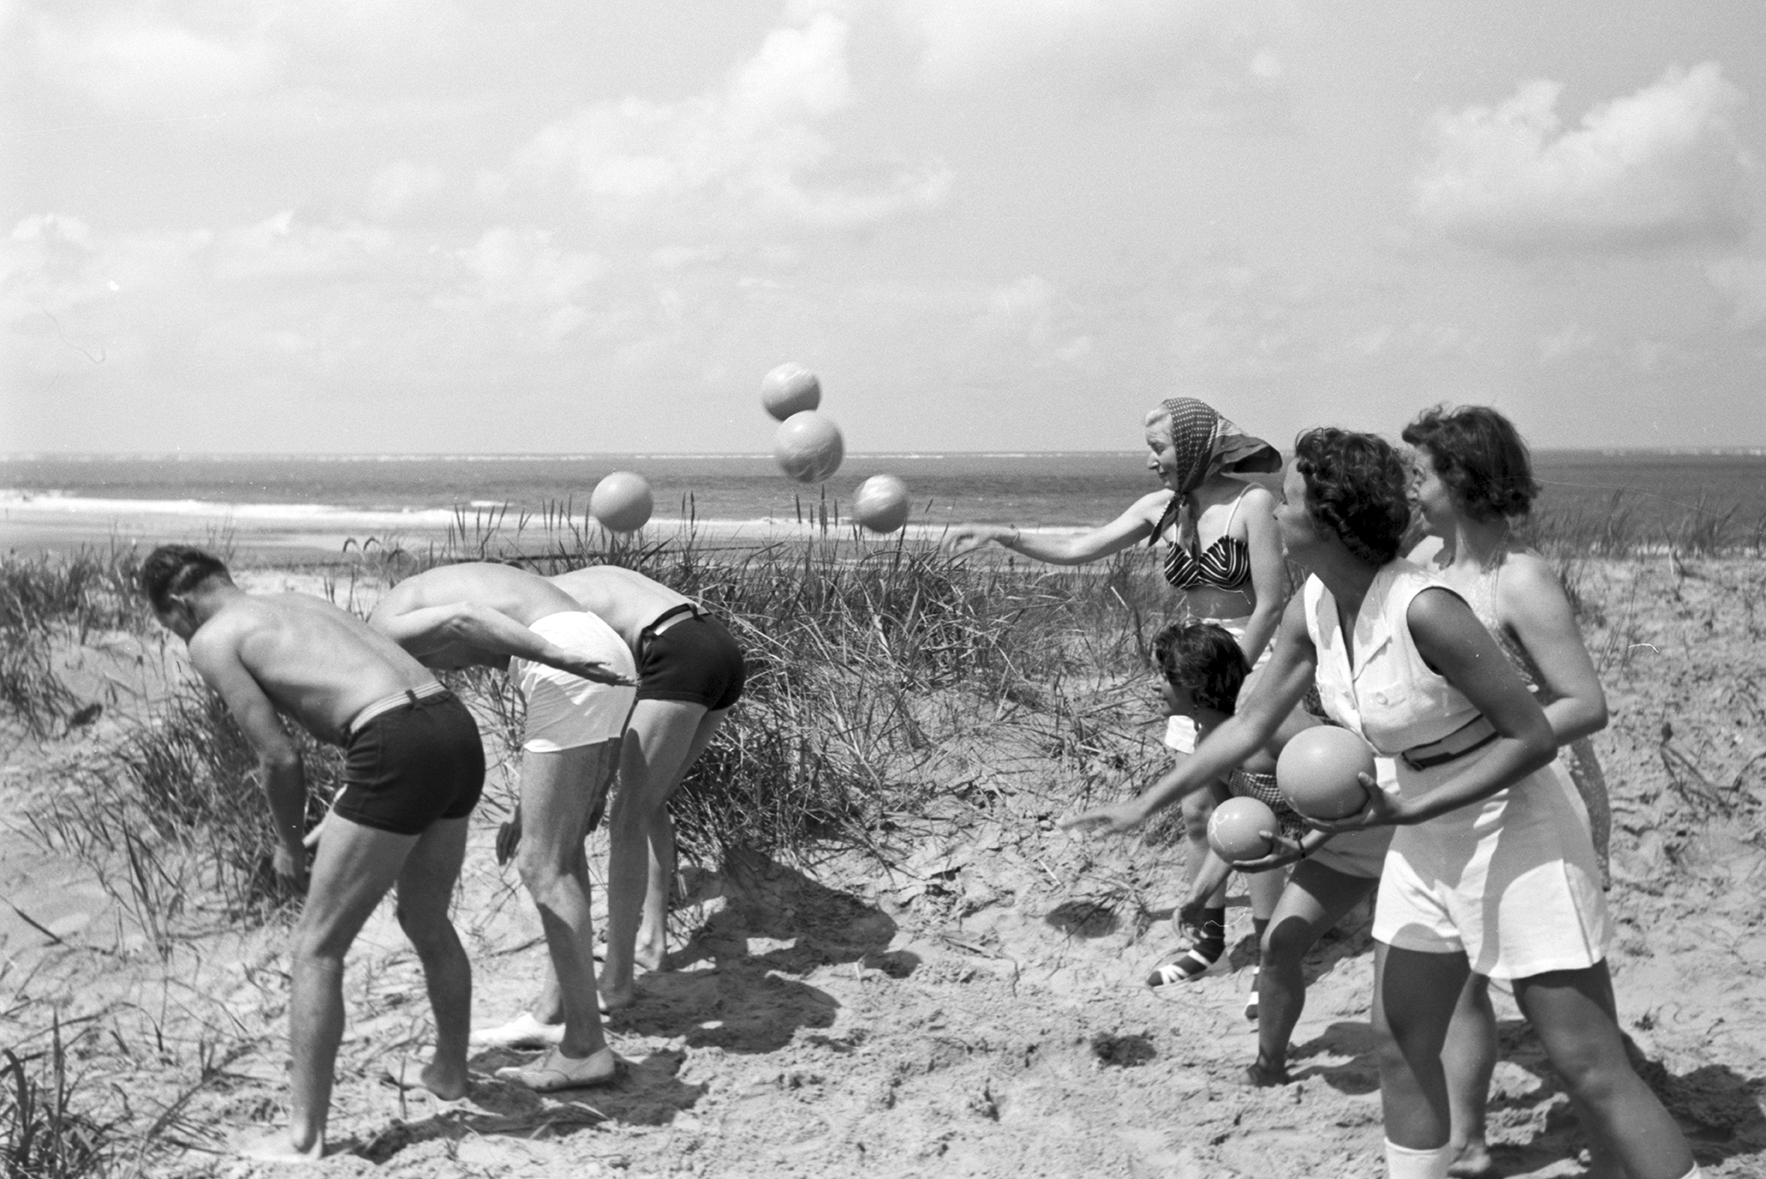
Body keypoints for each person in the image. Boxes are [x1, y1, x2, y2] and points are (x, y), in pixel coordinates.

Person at [1063, 429, 1700, 1179]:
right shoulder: (1317, 602)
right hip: (1422, 835)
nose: (1273, 506)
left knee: (1589, 1065)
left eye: (1290, 496)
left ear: (1327, 520)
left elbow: (1532, 736)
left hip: (1516, 831)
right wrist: (1148, 801)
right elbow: (1249, 722)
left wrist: (1406, 812)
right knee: (1400, 1040)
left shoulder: (1426, 607)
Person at [140, 546, 485, 1161]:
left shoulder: (213, 638)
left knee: (316, 949)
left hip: (393, 745)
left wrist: (286, 844)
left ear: (177, 603)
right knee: (426, 919)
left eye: (170, 625)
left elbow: (279, 756)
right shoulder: (297, 602)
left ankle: (304, 1137)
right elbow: (376, 689)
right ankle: (450, 1075)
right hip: (452, 726)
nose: (178, 635)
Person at [948, 397, 1286, 979]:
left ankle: (1270, 953)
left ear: (1196, 443)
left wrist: (1227, 680)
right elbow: (1082, 548)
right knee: (1197, 811)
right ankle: (1206, 944)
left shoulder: (1253, 502)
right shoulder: (1161, 508)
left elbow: (1273, 602)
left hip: (1247, 665)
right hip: (1194, 669)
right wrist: (1004, 535)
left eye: (1159, 448)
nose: (1151, 462)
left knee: (1253, 811)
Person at [1403, 404, 1617, 1178]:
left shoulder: (1518, 578)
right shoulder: (1425, 556)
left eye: (1418, 473)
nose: (1408, 487)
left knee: (1570, 1009)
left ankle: (1619, 1149)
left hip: (1529, 793)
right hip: (1450, 802)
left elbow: (1582, 702)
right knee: (1457, 975)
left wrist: (1498, 740)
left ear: (1461, 479)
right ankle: (1467, 1136)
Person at [368, 562, 634, 1092]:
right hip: (597, 647)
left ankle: (585, 1047)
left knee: (540, 864)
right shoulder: (412, 597)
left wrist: (556, 658)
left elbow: (468, 618)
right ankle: (557, 1015)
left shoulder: (382, 633)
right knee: (563, 854)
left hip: (564, 656)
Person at [485, 564, 743, 1011]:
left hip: (675, 652)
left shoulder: (543, 620)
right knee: (648, 803)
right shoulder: (574, 585)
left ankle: (619, 977)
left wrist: (528, 815)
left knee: (627, 816)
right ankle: (652, 941)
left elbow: (565, 733)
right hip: (717, 646)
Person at [1159, 621, 1397, 1086]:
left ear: (1192, 685)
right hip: (1337, 848)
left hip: (1391, 831)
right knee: (1279, 946)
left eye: (1163, 674)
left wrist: (1310, 838)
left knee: (1411, 977)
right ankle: (1269, 1067)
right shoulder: (1211, 745)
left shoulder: (1274, 726)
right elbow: (1236, 829)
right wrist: (1197, 896)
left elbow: (1352, 772)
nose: (1156, 684)